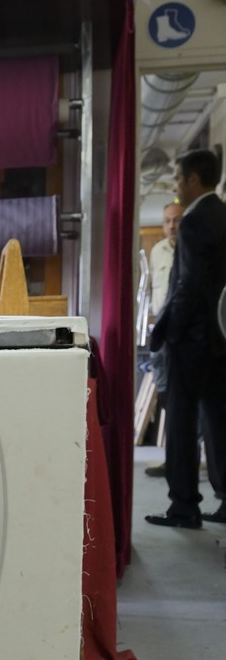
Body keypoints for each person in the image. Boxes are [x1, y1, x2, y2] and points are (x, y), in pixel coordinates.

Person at [146, 150, 226, 529]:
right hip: (220, 338)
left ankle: (183, 507)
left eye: (179, 179)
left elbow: (189, 284)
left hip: (190, 341)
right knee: (217, 420)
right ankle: (225, 499)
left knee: (180, 422)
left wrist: (169, 333)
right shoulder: (223, 215)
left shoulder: (194, 223)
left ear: (194, 178)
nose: (177, 187)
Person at [143, 200, 182, 479]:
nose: (171, 226)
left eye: (176, 220)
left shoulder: (193, 248)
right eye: (167, 220)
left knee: (184, 400)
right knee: (167, 395)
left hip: (184, 333)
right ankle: (174, 459)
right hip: (161, 333)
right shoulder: (157, 251)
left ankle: (182, 461)